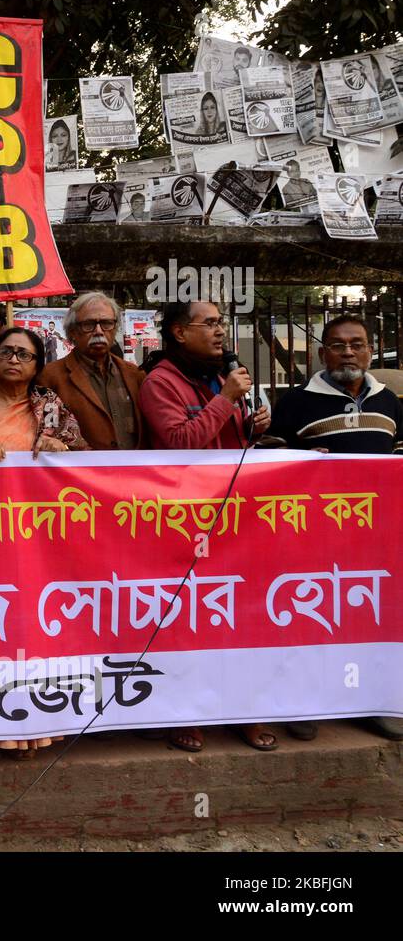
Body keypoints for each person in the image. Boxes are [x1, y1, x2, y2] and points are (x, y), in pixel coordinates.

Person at [138, 299, 277, 754]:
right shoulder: (160, 382)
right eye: (210, 323)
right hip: (184, 519)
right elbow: (181, 442)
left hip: (232, 519)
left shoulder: (221, 376)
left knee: (238, 618)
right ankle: (183, 712)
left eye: (222, 324)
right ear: (179, 332)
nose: (220, 332)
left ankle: (241, 711)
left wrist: (252, 425)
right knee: (187, 622)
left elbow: (228, 440)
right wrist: (227, 401)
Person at [257, 314, 403, 744]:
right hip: (314, 539)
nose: (348, 352)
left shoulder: (390, 401)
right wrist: (301, 459)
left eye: (356, 344)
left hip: (377, 540)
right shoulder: (298, 401)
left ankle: (372, 704)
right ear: (322, 353)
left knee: (371, 622)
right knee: (311, 618)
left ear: (370, 350)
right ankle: (305, 704)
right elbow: (270, 455)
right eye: (337, 345)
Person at [0, 327, 85, 766]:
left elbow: (81, 450)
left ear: (37, 364)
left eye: (25, 355)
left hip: (30, 535)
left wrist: (59, 445)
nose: (14, 359)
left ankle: (26, 727)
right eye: (7, 352)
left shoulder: (50, 404)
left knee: (24, 626)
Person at [37, 292, 147, 450]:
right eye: (88, 324)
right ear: (73, 331)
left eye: (106, 323)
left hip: (135, 471)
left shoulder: (135, 374)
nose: (99, 331)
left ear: (115, 328)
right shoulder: (51, 377)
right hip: (81, 472)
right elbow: (48, 430)